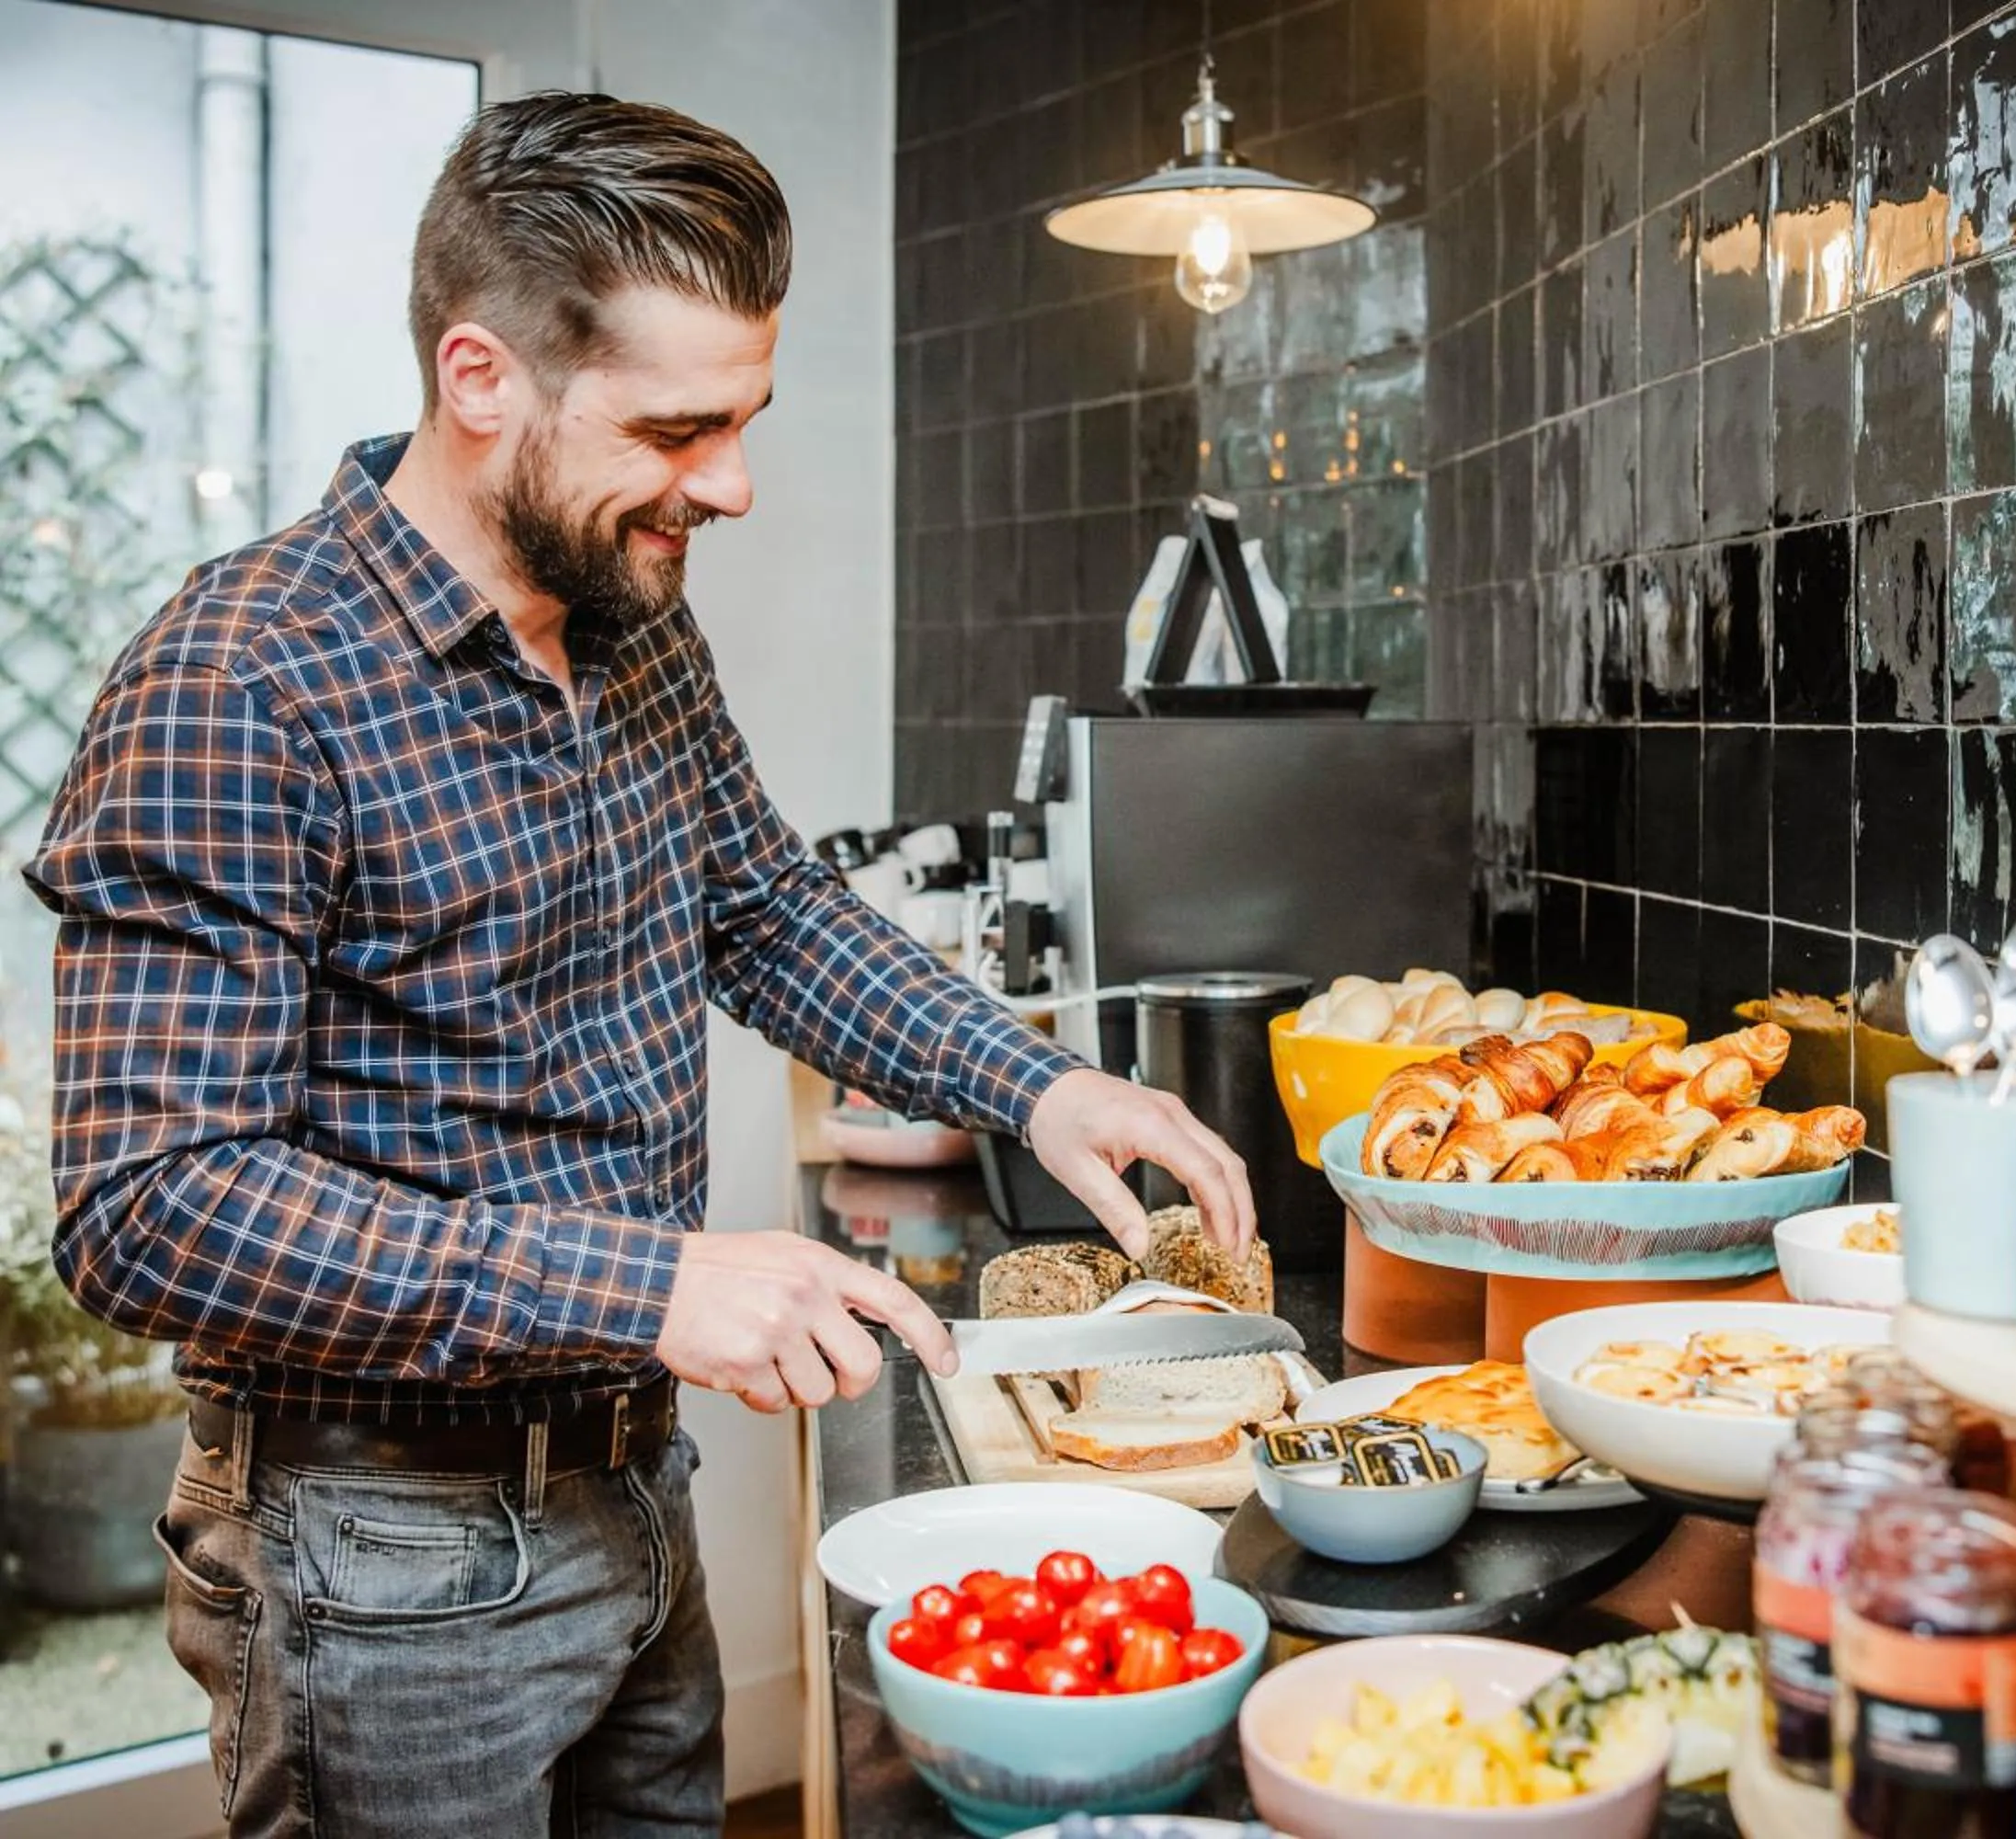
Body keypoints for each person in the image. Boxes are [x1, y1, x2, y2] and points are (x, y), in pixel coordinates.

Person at [21, 91, 1254, 1837]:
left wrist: (1035, 1083)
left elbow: (762, 908)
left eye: (741, 422)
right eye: (677, 429)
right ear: (480, 377)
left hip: (631, 1491)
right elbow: (152, 1206)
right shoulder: (239, 681)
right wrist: (649, 1289)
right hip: (379, 1555)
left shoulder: (627, 615)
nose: (728, 485)